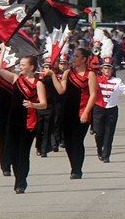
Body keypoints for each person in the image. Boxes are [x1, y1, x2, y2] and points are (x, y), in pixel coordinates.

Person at [0, 46, 48, 194]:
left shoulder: (38, 83)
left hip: (29, 122)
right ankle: (19, 178)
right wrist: (2, 50)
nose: (20, 67)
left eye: (23, 65)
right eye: (20, 65)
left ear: (32, 67)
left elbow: (43, 104)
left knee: (23, 153)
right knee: (12, 152)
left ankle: (20, 183)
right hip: (13, 121)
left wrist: (33, 104)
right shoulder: (16, 79)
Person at [48, 48, 98, 179]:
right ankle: (73, 166)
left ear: (84, 59)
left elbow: (93, 94)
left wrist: (86, 112)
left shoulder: (90, 74)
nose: (73, 58)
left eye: (77, 56)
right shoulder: (68, 73)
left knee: (77, 140)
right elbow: (61, 90)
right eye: (73, 56)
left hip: (82, 111)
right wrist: (53, 75)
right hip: (68, 111)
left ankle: (77, 169)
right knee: (68, 142)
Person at [93, 56, 125, 163]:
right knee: (98, 133)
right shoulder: (95, 79)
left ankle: (106, 155)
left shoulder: (117, 81)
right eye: (105, 68)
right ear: (102, 69)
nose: (107, 70)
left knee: (109, 133)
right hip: (98, 108)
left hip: (111, 109)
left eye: (109, 68)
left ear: (112, 70)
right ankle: (100, 149)